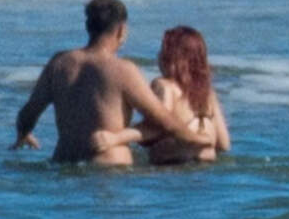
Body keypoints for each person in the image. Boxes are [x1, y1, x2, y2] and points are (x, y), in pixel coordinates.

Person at [12, 0, 206, 165]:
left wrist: (24, 133)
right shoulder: (123, 70)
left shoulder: (59, 63)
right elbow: (164, 121)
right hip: (108, 171)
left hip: (64, 162)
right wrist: (196, 139)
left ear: (88, 27)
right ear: (121, 30)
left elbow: (28, 113)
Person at [91, 25, 231, 166]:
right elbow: (224, 144)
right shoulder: (208, 93)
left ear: (170, 58)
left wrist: (116, 138)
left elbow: (157, 127)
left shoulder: (164, 86)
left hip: (173, 165)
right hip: (206, 166)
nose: (158, 56)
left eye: (162, 51)